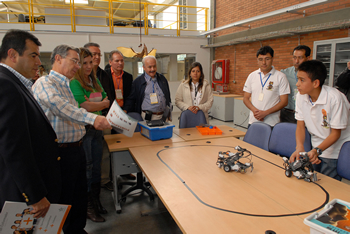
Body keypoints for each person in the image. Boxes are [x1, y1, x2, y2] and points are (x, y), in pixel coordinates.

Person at [32, 44, 111, 234]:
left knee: (77, 197)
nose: (78, 66)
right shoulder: (45, 83)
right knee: (62, 198)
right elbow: (61, 108)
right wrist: (93, 118)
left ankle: (77, 229)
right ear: (58, 59)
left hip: (77, 149)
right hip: (59, 153)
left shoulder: (66, 85)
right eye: (74, 61)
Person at [0, 29, 61, 218]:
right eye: (33, 55)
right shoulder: (6, 85)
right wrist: (34, 195)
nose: (38, 62)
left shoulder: (17, 84)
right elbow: (14, 147)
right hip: (21, 194)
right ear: (12, 54)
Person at [290, 60, 350, 181]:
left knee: (328, 184)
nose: (297, 84)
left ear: (316, 83)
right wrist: (299, 147)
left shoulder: (335, 98)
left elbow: (335, 134)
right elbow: (300, 126)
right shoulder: (301, 96)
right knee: (311, 179)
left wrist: (317, 150)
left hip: (335, 149)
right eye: (298, 79)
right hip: (316, 146)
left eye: (302, 80)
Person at [70, 48, 109, 222]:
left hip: (97, 130)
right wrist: (97, 103)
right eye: (83, 63)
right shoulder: (75, 83)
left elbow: (106, 99)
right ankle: (88, 207)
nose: (87, 66)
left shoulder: (94, 80)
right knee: (87, 167)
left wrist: (95, 102)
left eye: (90, 62)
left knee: (96, 168)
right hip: (85, 130)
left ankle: (96, 201)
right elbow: (83, 106)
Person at [243, 46, 290, 127]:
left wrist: (265, 113)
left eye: (267, 59)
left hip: (272, 122)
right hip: (254, 121)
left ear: (272, 59)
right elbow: (245, 98)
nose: (264, 62)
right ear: (257, 60)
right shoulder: (252, 75)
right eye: (260, 59)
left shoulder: (281, 77)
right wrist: (255, 111)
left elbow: (284, 102)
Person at [124, 55, 171, 121]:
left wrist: (169, 113)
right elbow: (131, 99)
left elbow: (168, 96)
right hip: (148, 117)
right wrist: (125, 110)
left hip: (163, 116)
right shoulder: (138, 82)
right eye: (150, 67)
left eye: (154, 66)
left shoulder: (162, 79)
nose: (152, 69)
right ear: (144, 67)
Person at [280, 45, 311, 123]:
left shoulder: (313, 74)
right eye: (294, 57)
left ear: (308, 58)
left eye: (300, 58)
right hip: (288, 114)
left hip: (306, 114)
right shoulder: (284, 73)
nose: (296, 61)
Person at [84, 42, 114, 116]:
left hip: (104, 115)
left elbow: (108, 99)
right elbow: (84, 105)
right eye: (94, 54)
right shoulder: (79, 78)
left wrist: (93, 104)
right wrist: (101, 104)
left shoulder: (105, 75)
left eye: (99, 55)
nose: (97, 57)